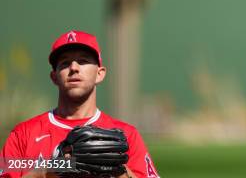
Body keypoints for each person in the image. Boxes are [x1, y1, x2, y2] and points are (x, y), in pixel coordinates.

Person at [0, 30, 160, 178]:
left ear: (100, 74)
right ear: (54, 76)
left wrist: (119, 171)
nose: (74, 68)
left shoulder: (127, 136)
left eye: (83, 61)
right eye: (65, 63)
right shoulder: (23, 135)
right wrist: (51, 169)